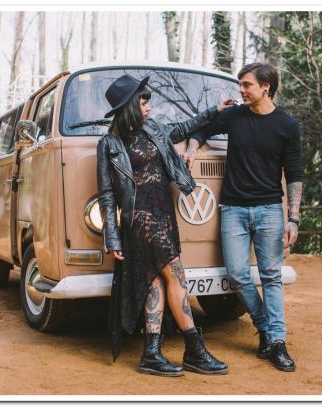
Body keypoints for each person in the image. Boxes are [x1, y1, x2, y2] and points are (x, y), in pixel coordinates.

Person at [97, 74, 231, 377]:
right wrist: (112, 238)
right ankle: (194, 350)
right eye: (144, 103)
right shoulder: (109, 144)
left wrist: (215, 110)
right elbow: (107, 195)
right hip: (141, 219)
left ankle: (151, 354)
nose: (149, 107)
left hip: (164, 214)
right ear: (130, 106)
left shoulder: (154, 129)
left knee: (155, 280)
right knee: (177, 275)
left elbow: (184, 127)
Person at [184, 62, 303, 372]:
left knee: (271, 276)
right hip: (233, 209)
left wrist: (293, 218)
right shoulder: (235, 116)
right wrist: (193, 149)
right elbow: (202, 129)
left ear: (266, 87)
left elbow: (294, 174)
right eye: (240, 84)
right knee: (237, 274)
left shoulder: (287, 126)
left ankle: (277, 342)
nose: (241, 90)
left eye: (246, 85)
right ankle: (265, 326)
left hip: (269, 210)